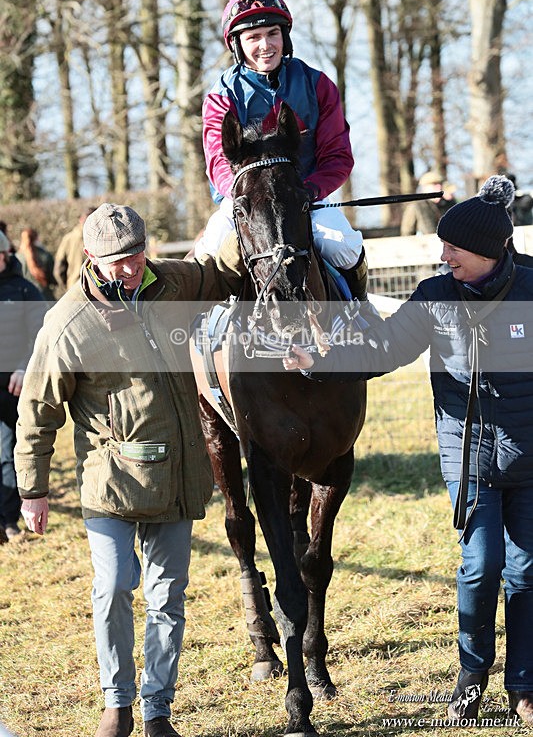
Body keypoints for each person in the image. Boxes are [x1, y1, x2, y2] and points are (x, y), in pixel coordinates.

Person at [283, 176, 533, 726]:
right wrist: (318, 361)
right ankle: (471, 679)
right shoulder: (436, 296)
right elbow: (383, 347)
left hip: (530, 459)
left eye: (453, 247)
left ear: (489, 252)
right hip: (469, 457)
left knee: (527, 570)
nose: (441, 254)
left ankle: (524, 686)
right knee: (479, 565)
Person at [15, 203, 245, 737]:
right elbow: (38, 410)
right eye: (118, 260)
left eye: (137, 254)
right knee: (116, 584)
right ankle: (116, 703)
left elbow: (222, 270)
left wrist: (244, 206)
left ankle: (157, 710)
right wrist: (33, 489)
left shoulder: (175, 283)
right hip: (108, 478)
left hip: (180, 473)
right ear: (91, 256)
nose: (131, 267)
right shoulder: (67, 323)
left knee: (168, 595)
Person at [198, 0, 368, 301]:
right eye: (253, 37)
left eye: (272, 33)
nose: (266, 45)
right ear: (237, 44)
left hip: (306, 198)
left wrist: (309, 192)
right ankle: (200, 332)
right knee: (209, 249)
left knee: (344, 244)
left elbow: (338, 157)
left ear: (285, 36)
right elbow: (218, 162)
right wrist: (242, 199)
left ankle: (362, 309)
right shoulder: (221, 97)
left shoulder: (318, 85)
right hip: (245, 204)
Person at [0, 229, 44, 543]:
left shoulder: (25, 291)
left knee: (8, 453)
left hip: (11, 388)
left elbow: (43, 338)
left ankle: (8, 521)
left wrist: (24, 366)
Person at [400, 170, 457, 235]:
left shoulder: (449, 205)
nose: (439, 187)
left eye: (440, 184)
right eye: (434, 184)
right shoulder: (416, 206)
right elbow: (407, 233)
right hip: (425, 243)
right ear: (424, 187)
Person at [54, 206, 97, 293]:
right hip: (97, 289)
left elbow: (58, 269)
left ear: (81, 219)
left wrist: (66, 286)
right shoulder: (102, 238)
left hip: (74, 288)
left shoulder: (68, 239)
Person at [16, 227, 57, 301]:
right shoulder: (45, 255)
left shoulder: (17, 258)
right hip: (45, 297)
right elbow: (53, 277)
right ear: (36, 238)